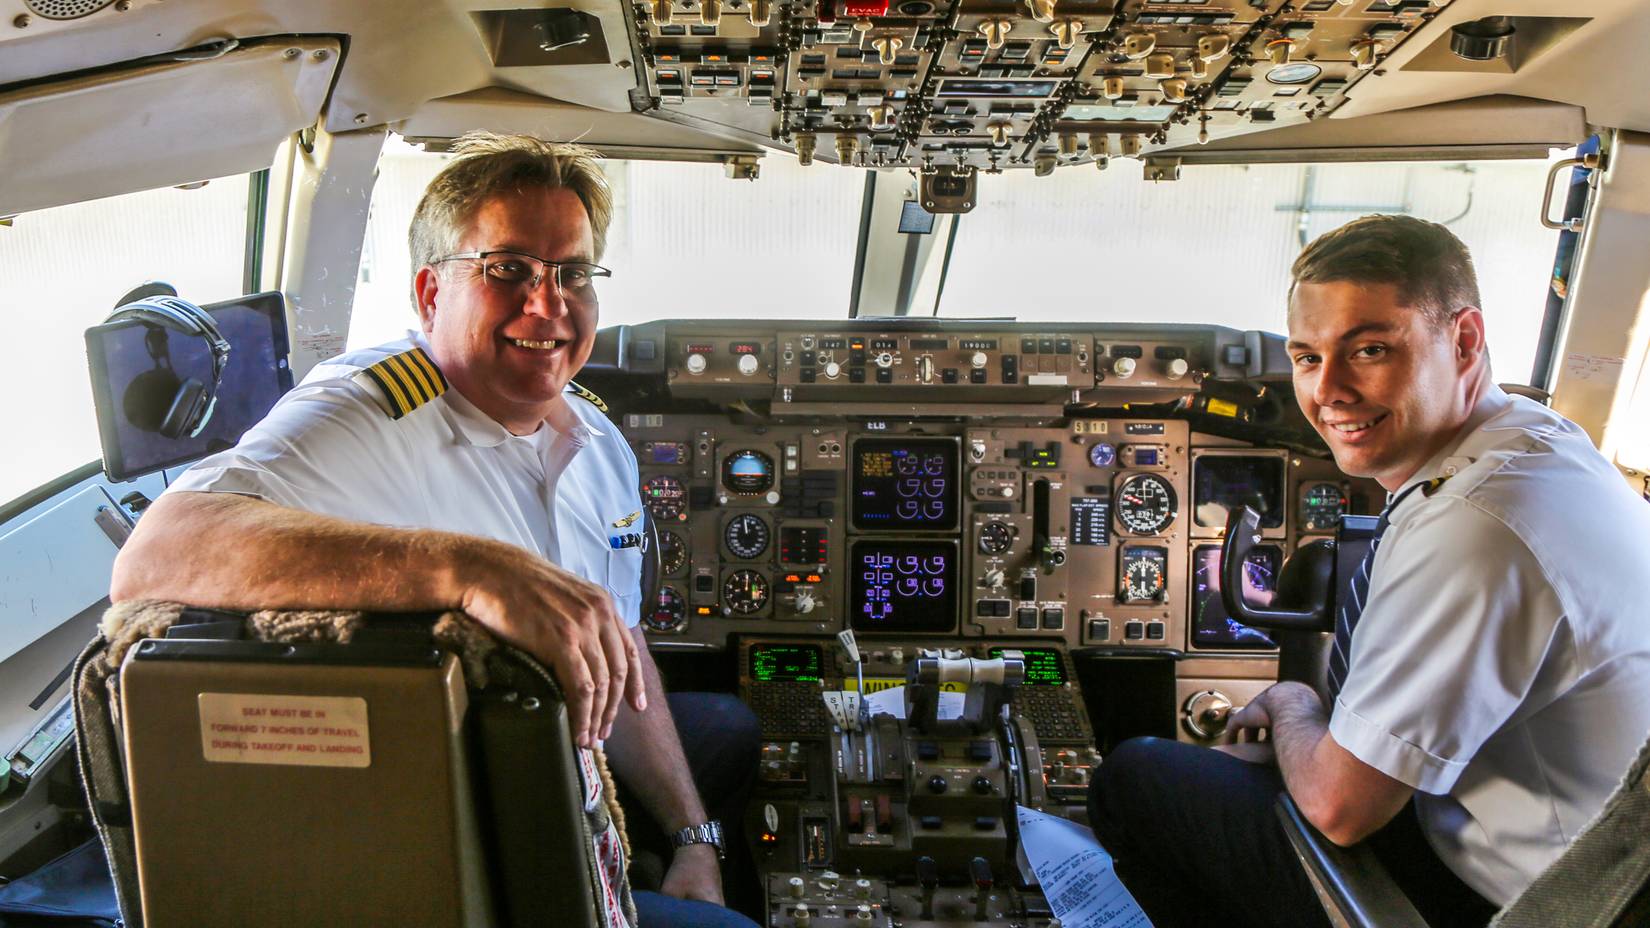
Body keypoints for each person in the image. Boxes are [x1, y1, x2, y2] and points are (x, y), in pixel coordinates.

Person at [110, 132, 759, 928]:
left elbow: (613, 645)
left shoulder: (599, 444)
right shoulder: (368, 411)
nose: (548, 305)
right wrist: (466, 569)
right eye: (508, 270)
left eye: (573, 274)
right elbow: (159, 550)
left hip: (553, 752)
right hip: (445, 818)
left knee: (732, 728)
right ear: (428, 294)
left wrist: (695, 839)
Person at [1088, 215, 1650, 927]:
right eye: (1307, 357)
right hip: (1589, 867)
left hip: (1532, 903)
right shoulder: (1544, 444)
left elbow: (1340, 809)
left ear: (1466, 339)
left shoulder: (1478, 526)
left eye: (1371, 349)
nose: (1330, 392)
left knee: (1135, 779)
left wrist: (1294, 705)